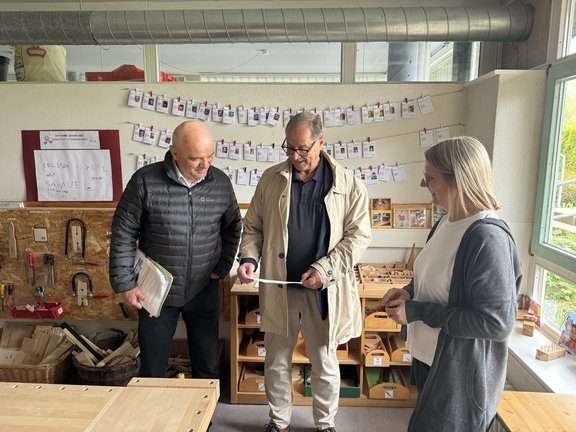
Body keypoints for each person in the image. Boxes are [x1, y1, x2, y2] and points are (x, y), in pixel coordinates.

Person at [237, 112, 371, 432]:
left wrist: (324, 269)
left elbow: (359, 236)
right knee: (276, 361)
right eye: (289, 149)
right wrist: (249, 259)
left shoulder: (347, 183)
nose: (296, 157)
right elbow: (253, 228)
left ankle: (325, 424)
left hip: (323, 291)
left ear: (321, 142)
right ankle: (279, 421)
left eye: (303, 149)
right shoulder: (271, 179)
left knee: (324, 362)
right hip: (281, 288)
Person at [382, 136, 522, 432]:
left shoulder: (487, 238)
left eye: (429, 177)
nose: (423, 184)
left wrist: (417, 310)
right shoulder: (446, 222)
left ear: (457, 178)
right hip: (428, 360)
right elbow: (434, 276)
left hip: (459, 374)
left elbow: (496, 323)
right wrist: (408, 291)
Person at [109, 120, 242, 379]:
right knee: (153, 365)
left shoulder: (220, 183)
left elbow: (232, 226)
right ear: (175, 152)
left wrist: (223, 265)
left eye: (210, 156)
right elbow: (123, 232)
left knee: (206, 365)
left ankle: (205, 420)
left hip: (204, 287)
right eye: (196, 159)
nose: (205, 165)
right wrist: (125, 282)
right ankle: (155, 419)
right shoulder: (145, 181)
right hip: (157, 291)